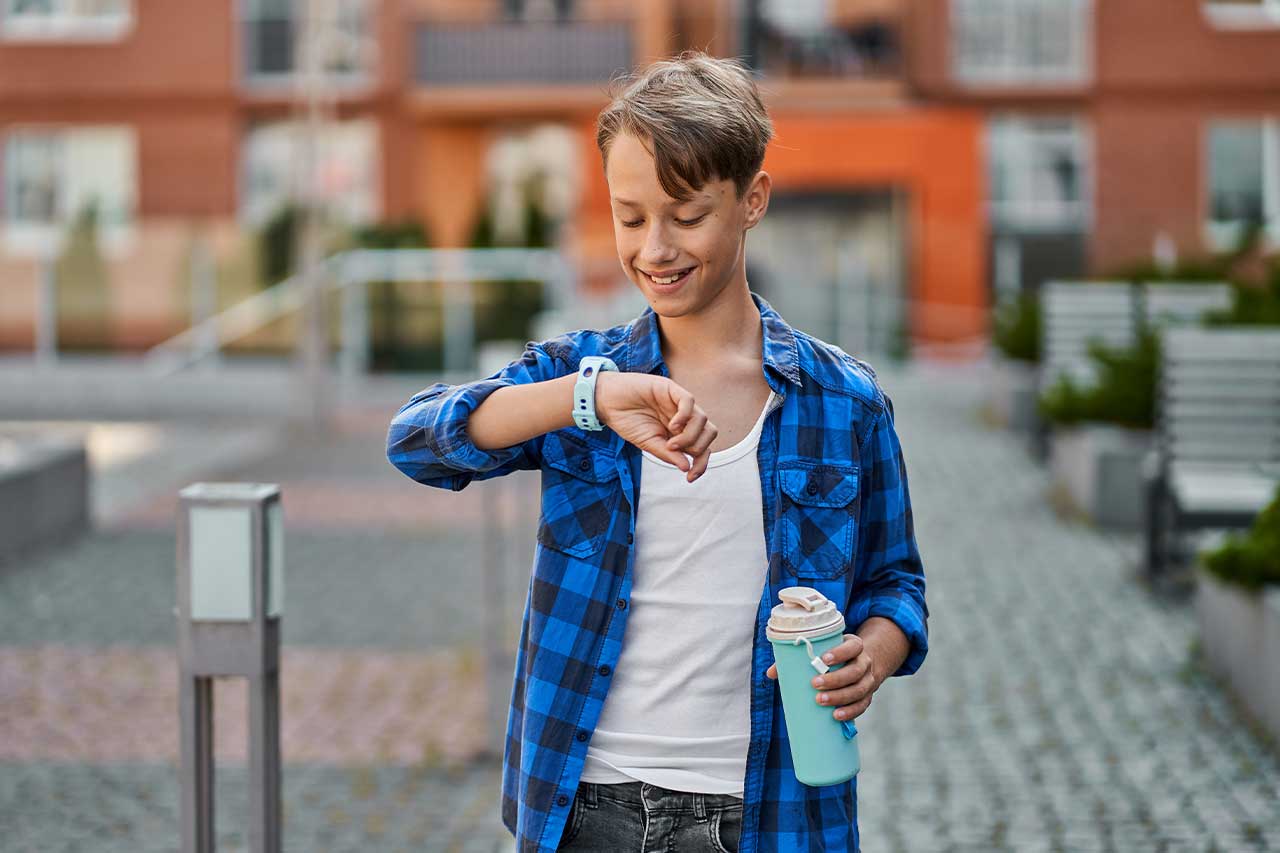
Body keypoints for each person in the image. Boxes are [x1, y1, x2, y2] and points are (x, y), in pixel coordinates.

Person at [387, 51, 928, 853]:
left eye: (686, 214)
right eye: (630, 216)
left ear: (753, 201)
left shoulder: (843, 401)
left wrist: (872, 655)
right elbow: (418, 440)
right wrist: (590, 397)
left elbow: (898, 585)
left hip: (769, 811)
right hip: (585, 805)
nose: (655, 248)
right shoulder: (583, 380)